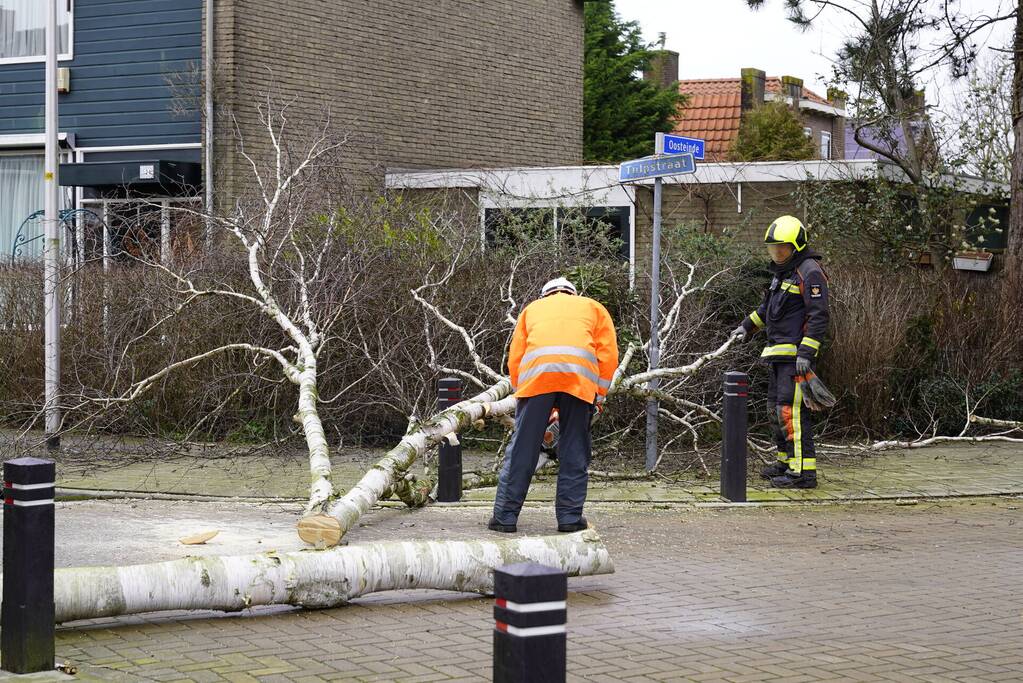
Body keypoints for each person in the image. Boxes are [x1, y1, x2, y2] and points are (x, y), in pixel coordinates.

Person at [489, 277, 619, 533]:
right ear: (573, 293)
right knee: (574, 449)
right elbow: (608, 355)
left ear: (545, 294)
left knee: (522, 450)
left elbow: (516, 357)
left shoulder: (531, 310)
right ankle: (569, 519)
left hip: (537, 381)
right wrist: (598, 395)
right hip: (579, 381)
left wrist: (521, 394)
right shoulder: (593, 307)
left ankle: (505, 518)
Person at [733, 216, 830, 489]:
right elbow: (767, 309)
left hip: (795, 360)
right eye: (773, 249)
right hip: (778, 356)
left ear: (797, 246)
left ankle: (802, 473)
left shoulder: (809, 271)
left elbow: (819, 315)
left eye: (782, 249)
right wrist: (745, 327)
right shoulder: (783, 273)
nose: (777, 254)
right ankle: (785, 462)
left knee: (791, 413)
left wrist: (806, 354)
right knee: (776, 412)